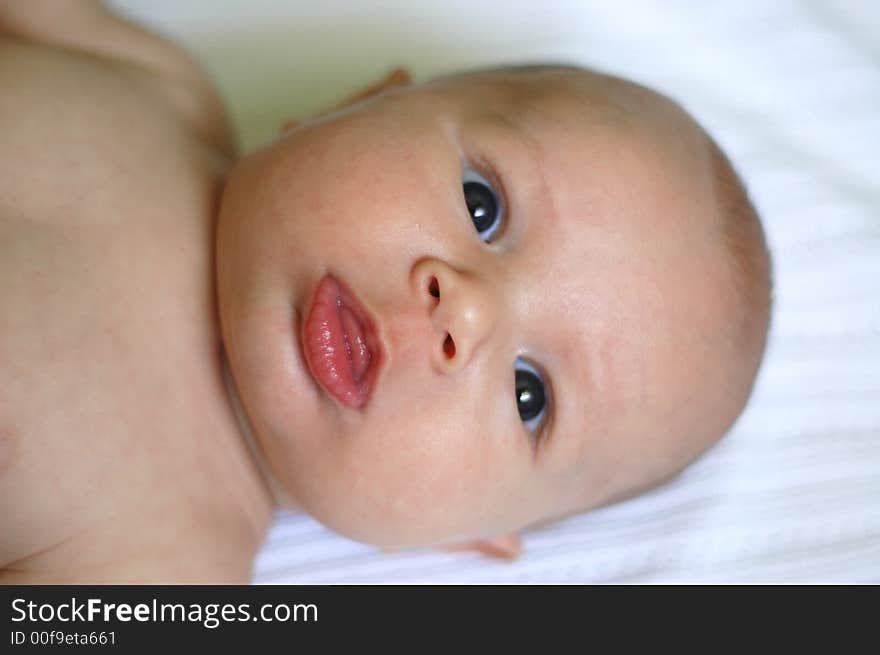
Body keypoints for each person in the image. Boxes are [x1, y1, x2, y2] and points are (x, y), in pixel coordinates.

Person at [0, 1, 772, 582]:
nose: (465, 310)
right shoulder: (158, 88)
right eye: (483, 204)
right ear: (358, 102)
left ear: (462, 534)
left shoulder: (157, 574)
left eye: (529, 394)